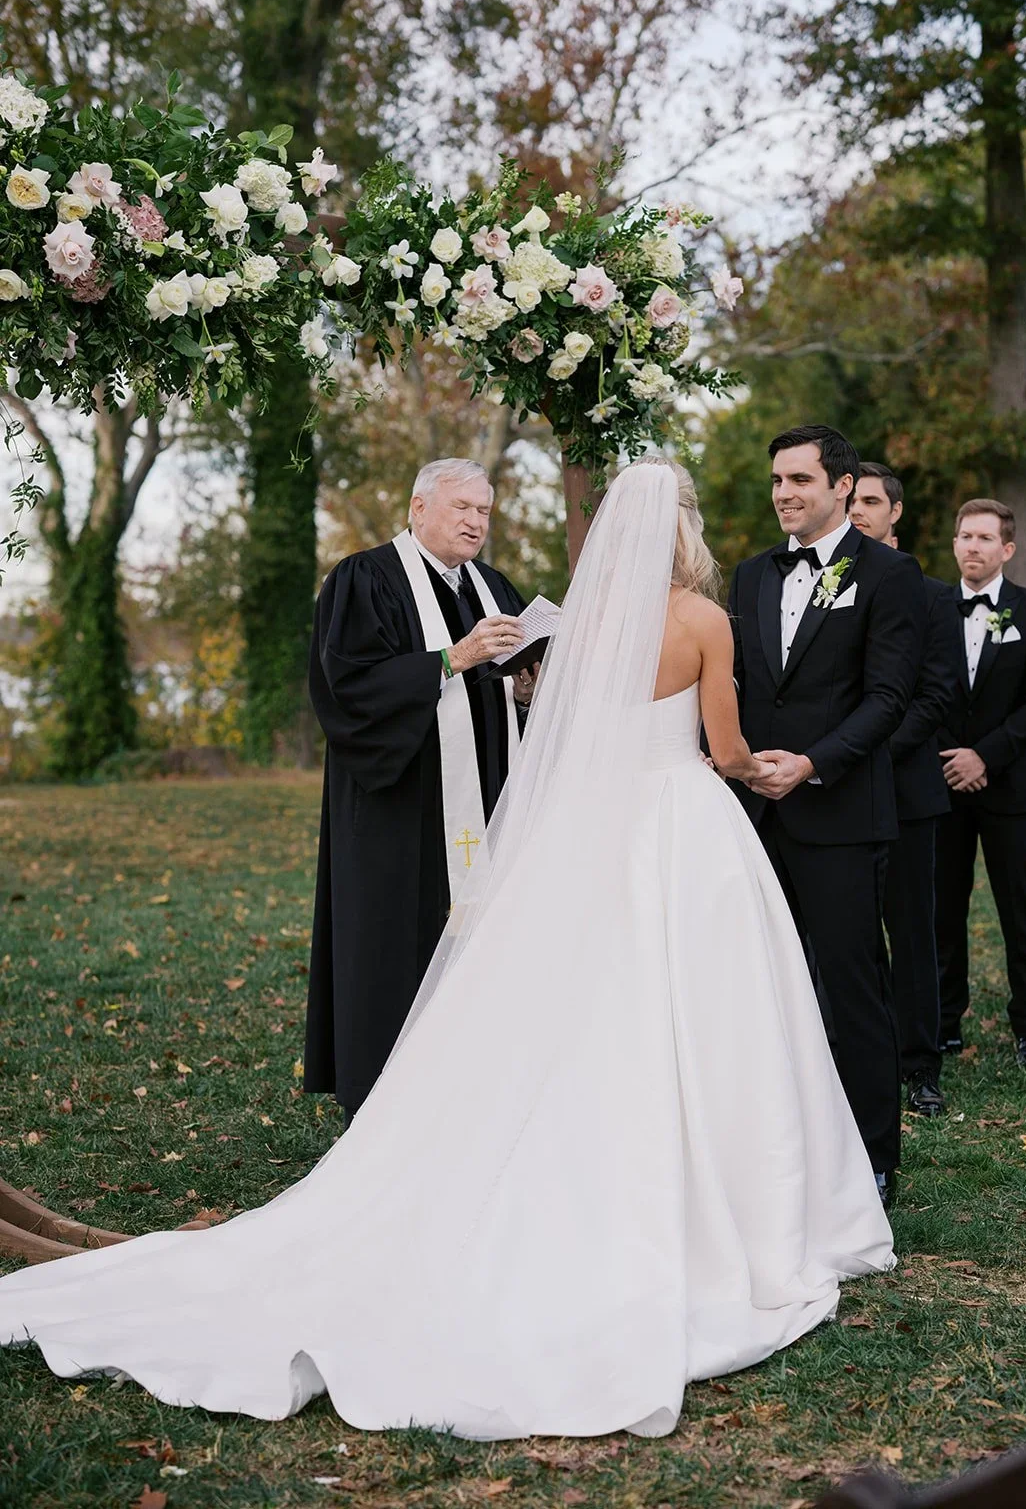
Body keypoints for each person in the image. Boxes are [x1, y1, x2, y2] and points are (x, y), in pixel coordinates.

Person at [0, 460, 892, 1440]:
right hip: (680, 832)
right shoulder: (699, 621)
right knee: (699, 1011)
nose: (475, 519)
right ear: (685, 533)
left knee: (590, 1007)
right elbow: (721, 749)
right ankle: (727, 1208)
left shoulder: (586, 620)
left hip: (594, 841)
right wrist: (753, 769)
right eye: (462, 505)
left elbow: (556, 724)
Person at [727, 425, 925, 1207]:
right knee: (757, 985)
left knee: (851, 987)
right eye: (778, 480)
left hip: (840, 812)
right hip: (750, 814)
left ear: (843, 487)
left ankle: (873, 1156)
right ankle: (774, 1146)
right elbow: (739, 683)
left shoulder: (889, 574)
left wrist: (813, 764)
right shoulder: (748, 576)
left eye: (800, 480)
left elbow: (889, 696)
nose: (784, 494)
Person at [304, 458, 534, 1124]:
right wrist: (452, 658)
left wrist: (524, 691)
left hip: (487, 806)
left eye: (484, 511)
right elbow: (346, 690)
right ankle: (385, 1109)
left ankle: (473, 1096)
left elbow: (509, 701)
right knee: (396, 948)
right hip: (399, 813)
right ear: (417, 508)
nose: (474, 522)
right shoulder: (365, 579)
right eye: (460, 507)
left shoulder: (495, 588)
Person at [934, 500, 1026, 1068]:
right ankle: (942, 1021)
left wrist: (984, 756)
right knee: (942, 908)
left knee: (1023, 908)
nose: (973, 547)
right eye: (965, 536)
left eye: (985, 538)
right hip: (941, 785)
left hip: (1013, 785)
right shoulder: (932, 607)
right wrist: (952, 758)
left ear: (1007, 549)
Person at [850, 462, 957, 1116]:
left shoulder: (935, 596)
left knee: (913, 931)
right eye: (851, 497)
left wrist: (866, 752)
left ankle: (921, 1067)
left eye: (870, 500)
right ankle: (853, 1053)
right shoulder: (826, 587)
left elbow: (936, 693)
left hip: (906, 787)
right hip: (833, 790)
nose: (857, 508)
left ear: (895, 512)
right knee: (844, 931)